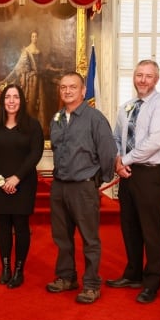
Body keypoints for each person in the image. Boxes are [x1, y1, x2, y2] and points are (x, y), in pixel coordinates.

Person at [107, 60, 160, 304]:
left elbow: (155, 142)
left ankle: (152, 282)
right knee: (130, 227)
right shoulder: (127, 106)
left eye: (148, 76)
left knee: (151, 230)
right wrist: (118, 160)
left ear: (156, 79)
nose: (143, 80)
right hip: (127, 173)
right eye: (139, 75)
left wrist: (123, 160)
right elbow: (116, 136)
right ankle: (133, 273)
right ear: (134, 78)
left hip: (150, 174)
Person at [46, 72, 116, 304]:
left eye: (72, 87)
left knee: (89, 239)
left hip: (83, 187)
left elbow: (107, 151)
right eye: (63, 87)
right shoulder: (56, 118)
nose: (67, 91)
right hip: (59, 186)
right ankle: (67, 277)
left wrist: (98, 180)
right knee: (62, 237)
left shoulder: (95, 118)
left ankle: (91, 284)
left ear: (83, 91)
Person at [0, 84, 44, 289]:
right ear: (2, 100)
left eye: (16, 97)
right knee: (3, 227)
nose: (12, 101)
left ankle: (19, 269)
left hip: (23, 184)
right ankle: (5, 267)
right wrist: (0, 180)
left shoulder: (32, 125)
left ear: (21, 100)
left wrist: (16, 178)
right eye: (8, 97)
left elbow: (35, 154)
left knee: (21, 227)